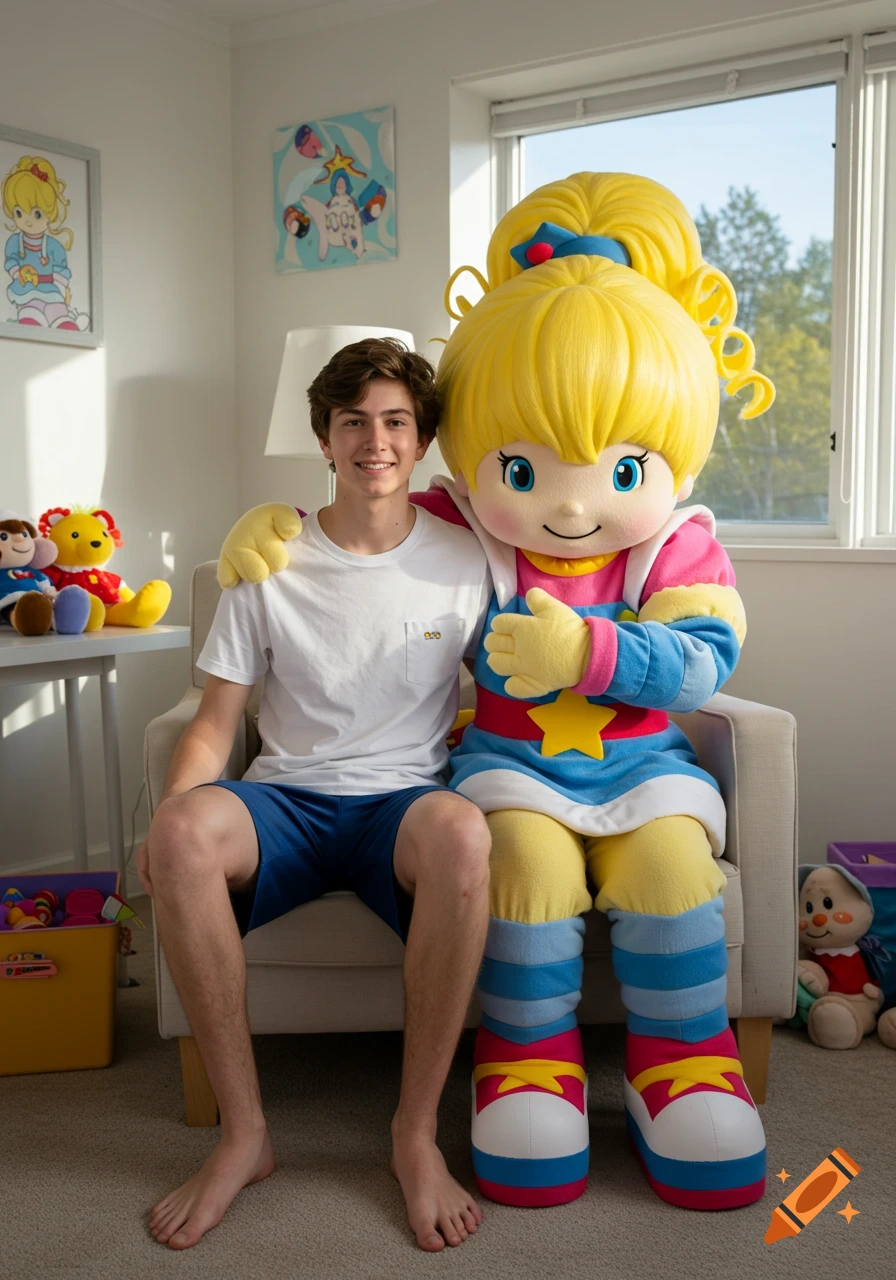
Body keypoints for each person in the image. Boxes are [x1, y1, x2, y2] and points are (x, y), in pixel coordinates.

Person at [216, 172, 774, 1213]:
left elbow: (702, 658)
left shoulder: (677, 543)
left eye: (617, 468)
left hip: (646, 771)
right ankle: (524, 1057)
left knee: (666, 867)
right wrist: (268, 524)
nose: (566, 502)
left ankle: (684, 1061)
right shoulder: (460, 522)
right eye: (522, 468)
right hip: (510, 771)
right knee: (517, 867)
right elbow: (364, 512)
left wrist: (589, 656)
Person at [138, 337, 493, 1252]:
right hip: (283, 803)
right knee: (179, 836)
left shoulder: (468, 560)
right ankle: (243, 1133)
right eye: (353, 423)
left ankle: (412, 1136)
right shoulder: (267, 557)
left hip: (401, 808)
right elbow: (217, 722)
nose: (374, 440)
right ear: (325, 440)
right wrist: (170, 814)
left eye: (395, 423)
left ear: (421, 445)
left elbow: (505, 699)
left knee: (463, 835)